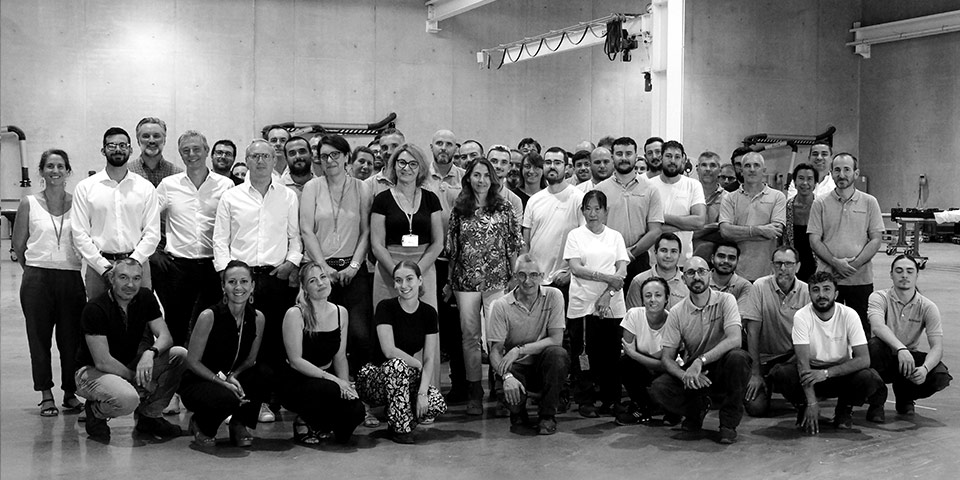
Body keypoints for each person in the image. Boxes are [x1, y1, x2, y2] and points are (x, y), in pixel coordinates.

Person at [213, 138, 302, 423]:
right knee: (239, 342)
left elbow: (295, 237)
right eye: (255, 156)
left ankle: (268, 401)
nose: (260, 161)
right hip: (241, 280)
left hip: (275, 277)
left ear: (275, 160)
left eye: (266, 156)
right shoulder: (231, 196)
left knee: (273, 343)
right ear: (247, 160)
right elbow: (220, 240)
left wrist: (291, 263)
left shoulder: (287, 196)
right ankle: (235, 399)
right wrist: (228, 274)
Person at [155, 130, 236, 415]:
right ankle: (172, 393)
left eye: (196, 149)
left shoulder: (225, 185)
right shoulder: (169, 185)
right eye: (186, 150)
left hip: (215, 267)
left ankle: (215, 389)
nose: (192, 155)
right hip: (179, 267)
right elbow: (147, 218)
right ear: (180, 154)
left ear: (206, 150)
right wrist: (153, 251)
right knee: (176, 331)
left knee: (214, 331)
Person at [74, 258, 187, 440]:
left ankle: (149, 417)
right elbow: (103, 361)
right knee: (128, 399)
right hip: (91, 372)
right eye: (123, 277)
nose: (130, 285)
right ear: (112, 278)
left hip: (127, 364)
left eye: (136, 278)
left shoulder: (145, 297)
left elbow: (165, 337)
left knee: (179, 355)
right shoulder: (95, 308)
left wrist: (150, 353)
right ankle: (96, 412)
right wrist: (136, 379)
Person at [446, 157, 524, 415]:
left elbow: (513, 244)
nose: (481, 180)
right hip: (465, 281)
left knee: (497, 337)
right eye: (476, 175)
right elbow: (453, 248)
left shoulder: (504, 207)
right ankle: (474, 391)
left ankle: (500, 387)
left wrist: (515, 275)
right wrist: (449, 280)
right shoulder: (459, 208)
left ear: (493, 179)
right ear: (468, 178)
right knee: (469, 337)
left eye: (486, 175)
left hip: (497, 280)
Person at [12, 149, 86, 417]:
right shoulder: (28, 203)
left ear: (68, 171)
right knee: (39, 339)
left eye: (60, 166)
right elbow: (18, 245)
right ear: (41, 171)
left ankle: (70, 392)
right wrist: (34, 270)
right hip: (37, 279)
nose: (55, 171)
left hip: (70, 277)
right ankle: (45, 393)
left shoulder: (79, 203)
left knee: (71, 340)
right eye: (50, 166)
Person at [649, 256, 751, 444]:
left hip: (722, 365)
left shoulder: (726, 300)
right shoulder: (677, 312)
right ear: (683, 279)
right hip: (694, 371)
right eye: (690, 273)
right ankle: (696, 410)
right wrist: (685, 376)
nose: (697, 277)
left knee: (739, 357)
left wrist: (700, 361)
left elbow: (735, 339)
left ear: (710, 275)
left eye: (701, 271)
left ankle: (728, 424)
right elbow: (667, 358)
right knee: (659, 387)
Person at [773, 271, 887, 433]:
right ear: (809, 294)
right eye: (816, 290)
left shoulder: (849, 315)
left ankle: (845, 408)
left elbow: (864, 359)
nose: (821, 295)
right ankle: (804, 405)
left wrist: (826, 373)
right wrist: (812, 402)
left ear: (836, 294)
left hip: (840, 373)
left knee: (869, 377)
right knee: (781, 373)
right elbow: (802, 363)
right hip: (812, 374)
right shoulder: (801, 316)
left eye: (827, 289)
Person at [301, 135, 375, 375]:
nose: (330, 160)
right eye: (324, 156)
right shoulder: (312, 187)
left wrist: (354, 266)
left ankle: (360, 387)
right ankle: (327, 385)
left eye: (335, 155)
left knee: (359, 333)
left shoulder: (361, 188)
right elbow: (306, 230)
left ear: (346, 157)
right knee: (321, 332)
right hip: (320, 270)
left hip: (353, 268)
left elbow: (366, 231)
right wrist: (323, 267)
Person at [179, 260, 269, 447]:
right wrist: (222, 382)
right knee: (227, 398)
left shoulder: (258, 318)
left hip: (231, 376)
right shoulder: (209, 316)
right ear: (223, 286)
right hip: (201, 381)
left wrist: (234, 376)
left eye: (244, 281)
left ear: (252, 286)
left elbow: (250, 360)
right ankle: (201, 424)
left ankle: (239, 423)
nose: (238, 287)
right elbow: (193, 362)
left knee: (264, 374)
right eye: (232, 282)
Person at [357, 262, 447, 444]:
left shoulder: (429, 313)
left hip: (404, 375)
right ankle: (400, 429)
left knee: (435, 404)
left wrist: (422, 393)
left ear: (420, 280)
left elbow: (429, 357)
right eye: (398, 280)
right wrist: (417, 365)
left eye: (409, 279)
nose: (404, 285)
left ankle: (396, 411)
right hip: (375, 376)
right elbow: (389, 350)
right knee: (397, 365)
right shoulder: (385, 307)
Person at [281, 263, 365, 444]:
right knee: (329, 388)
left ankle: (322, 424)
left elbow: (340, 356)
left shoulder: (341, 312)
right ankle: (303, 420)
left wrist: (345, 385)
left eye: (323, 277)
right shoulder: (295, 314)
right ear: (304, 288)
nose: (320, 283)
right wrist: (335, 380)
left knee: (357, 409)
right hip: (298, 379)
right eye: (313, 281)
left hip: (328, 378)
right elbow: (295, 360)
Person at [72, 126, 160, 300]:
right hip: (99, 268)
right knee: (99, 315)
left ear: (130, 150)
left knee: (140, 315)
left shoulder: (145, 188)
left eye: (122, 145)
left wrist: (133, 263)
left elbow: (152, 233)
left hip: (138, 265)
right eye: (111, 145)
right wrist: (104, 268)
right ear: (103, 150)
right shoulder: (86, 188)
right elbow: (79, 233)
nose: (118, 149)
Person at [563, 190, 629, 417]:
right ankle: (585, 399)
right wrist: (606, 278)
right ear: (582, 211)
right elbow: (576, 268)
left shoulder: (615, 237)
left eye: (597, 209)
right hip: (583, 304)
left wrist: (608, 293)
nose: (593, 214)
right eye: (588, 209)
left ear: (605, 212)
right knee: (584, 354)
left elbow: (622, 270)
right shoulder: (575, 236)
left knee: (611, 354)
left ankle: (611, 399)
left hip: (612, 304)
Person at [488, 254, 569, 435]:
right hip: (515, 368)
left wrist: (518, 350)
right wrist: (507, 377)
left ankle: (547, 416)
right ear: (515, 276)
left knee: (558, 355)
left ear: (542, 276)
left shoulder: (554, 296)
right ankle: (518, 412)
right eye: (522, 275)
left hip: (542, 364)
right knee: (511, 398)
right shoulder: (501, 305)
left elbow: (556, 339)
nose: (528, 281)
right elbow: (495, 351)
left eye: (533, 275)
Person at [807, 152, 884, 335]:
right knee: (826, 330)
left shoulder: (870, 202)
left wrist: (853, 265)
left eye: (847, 170)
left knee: (860, 330)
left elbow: (876, 239)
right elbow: (814, 240)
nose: (841, 175)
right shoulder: (820, 203)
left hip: (860, 280)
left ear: (856, 173)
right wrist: (835, 263)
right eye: (837, 170)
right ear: (831, 173)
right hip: (827, 280)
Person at [867, 255, 951, 418]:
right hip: (883, 357)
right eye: (899, 271)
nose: (904, 275)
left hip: (908, 361)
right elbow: (877, 326)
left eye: (909, 271)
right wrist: (901, 348)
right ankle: (876, 401)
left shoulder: (928, 307)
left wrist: (925, 369)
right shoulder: (878, 297)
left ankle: (905, 396)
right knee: (874, 346)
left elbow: (937, 347)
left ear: (917, 275)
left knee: (940, 375)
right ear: (891, 275)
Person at [370, 144, 443, 310]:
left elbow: (438, 242)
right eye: (402, 162)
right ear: (394, 165)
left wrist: (415, 274)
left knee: (424, 321)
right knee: (388, 319)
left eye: (413, 164)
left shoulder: (431, 199)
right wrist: (398, 275)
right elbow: (377, 244)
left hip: (423, 270)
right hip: (389, 270)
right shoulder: (382, 200)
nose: (406, 168)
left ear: (420, 168)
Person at [741, 246, 810, 417]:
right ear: (772, 265)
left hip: (792, 359)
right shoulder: (759, 286)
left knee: (784, 374)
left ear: (798, 266)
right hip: (764, 359)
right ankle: (767, 382)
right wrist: (755, 373)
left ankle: (799, 400)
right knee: (756, 408)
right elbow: (752, 333)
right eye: (778, 263)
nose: (783, 268)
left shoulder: (807, 292)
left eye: (788, 264)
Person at [596, 138, 664, 288]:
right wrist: (616, 254)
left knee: (639, 302)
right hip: (608, 260)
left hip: (639, 258)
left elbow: (655, 231)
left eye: (628, 153)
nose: (624, 158)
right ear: (612, 157)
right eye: (619, 154)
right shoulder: (600, 190)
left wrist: (630, 253)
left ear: (636, 156)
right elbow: (594, 228)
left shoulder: (651, 189)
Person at [522, 147, 584, 293]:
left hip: (562, 279)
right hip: (535, 280)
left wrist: (570, 273)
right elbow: (525, 242)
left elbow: (586, 240)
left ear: (566, 167)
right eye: (548, 162)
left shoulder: (578, 198)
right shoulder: (534, 200)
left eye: (557, 162)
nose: (552, 166)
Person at [719, 152, 786, 282]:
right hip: (735, 273)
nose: (752, 169)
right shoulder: (729, 198)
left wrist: (737, 232)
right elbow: (725, 232)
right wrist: (761, 230)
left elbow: (774, 232)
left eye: (756, 165)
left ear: (764, 170)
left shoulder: (778, 197)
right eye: (747, 166)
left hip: (767, 273)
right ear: (741, 170)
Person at [616, 277, 670, 426]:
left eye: (658, 295)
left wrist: (635, 355)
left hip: (666, 372)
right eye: (648, 295)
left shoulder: (673, 321)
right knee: (625, 363)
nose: (652, 300)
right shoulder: (634, 314)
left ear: (666, 298)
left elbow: (667, 365)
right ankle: (642, 408)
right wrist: (634, 356)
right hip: (643, 369)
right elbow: (627, 354)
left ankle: (670, 409)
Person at [648, 140, 706, 262]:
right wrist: (685, 225)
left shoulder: (693, 185)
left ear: (683, 160)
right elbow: (645, 226)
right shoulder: (648, 186)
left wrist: (661, 217)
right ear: (661, 158)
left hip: (684, 261)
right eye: (668, 156)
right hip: (653, 261)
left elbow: (699, 222)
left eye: (677, 157)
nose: (673, 161)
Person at [625, 233, 688, 310]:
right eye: (664, 250)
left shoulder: (687, 282)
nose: (668, 256)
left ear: (679, 255)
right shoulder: (639, 281)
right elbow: (633, 315)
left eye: (673, 251)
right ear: (655, 252)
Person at [782, 163, 818, 281]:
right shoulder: (786, 207)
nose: (805, 183)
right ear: (795, 182)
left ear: (815, 183)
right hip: (792, 265)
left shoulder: (822, 207)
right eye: (801, 178)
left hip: (818, 264)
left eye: (810, 179)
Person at [128, 117, 182, 187]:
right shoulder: (127, 173)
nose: (151, 141)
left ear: (164, 140)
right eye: (146, 136)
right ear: (138, 141)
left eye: (156, 136)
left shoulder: (178, 175)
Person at [692, 151, 726, 259]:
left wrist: (695, 230)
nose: (708, 169)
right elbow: (683, 231)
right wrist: (715, 226)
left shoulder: (728, 198)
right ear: (697, 169)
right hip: (686, 256)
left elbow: (725, 232)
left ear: (720, 170)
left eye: (712, 165)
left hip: (718, 259)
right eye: (704, 165)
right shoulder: (687, 195)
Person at [708, 242, 753, 309]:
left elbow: (740, 314)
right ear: (712, 258)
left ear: (737, 261)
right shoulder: (700, 280)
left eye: (731, 258)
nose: (726, 261)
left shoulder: (744, 286)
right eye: (721, 256)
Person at [486, 144, 524, 218]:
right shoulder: (472, 194)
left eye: (503, 162)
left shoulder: (515, 201)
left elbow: (517, 225)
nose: (498, 166)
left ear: (509, 167)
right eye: (494, 161)